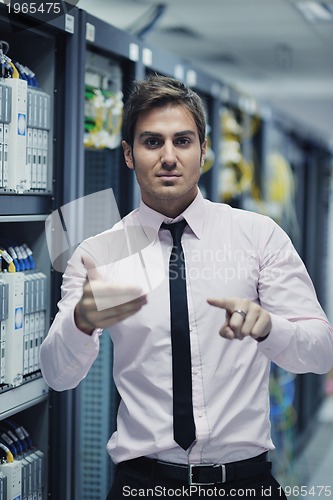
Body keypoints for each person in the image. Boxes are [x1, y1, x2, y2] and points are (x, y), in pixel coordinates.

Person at [40, 75, 333, 499]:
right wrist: (81, 322)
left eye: (182, 140)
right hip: (143, 485)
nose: (169, 157)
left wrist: (271, 328)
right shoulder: (99, 253)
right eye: (152, 142)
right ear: (128, 154)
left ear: (204, 151)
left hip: (244, 483)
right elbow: (56, 374)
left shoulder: (256, 236)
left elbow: (322, 350)